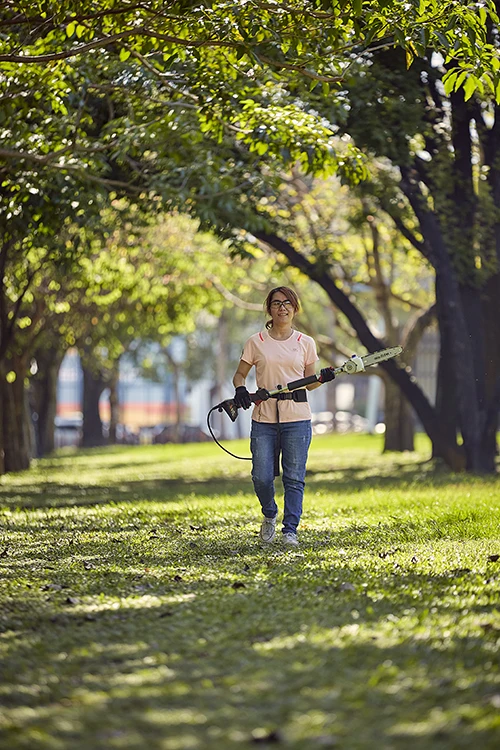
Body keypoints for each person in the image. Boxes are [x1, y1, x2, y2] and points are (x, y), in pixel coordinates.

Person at [232, 286, 336, 547]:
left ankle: (290, 530)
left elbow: (310, 382)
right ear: (269, 309)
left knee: (294, 477)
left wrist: (323, 378)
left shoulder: (306, 343)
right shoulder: (256, 342)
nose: (282, 307)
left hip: (297, 418)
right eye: (277, 303)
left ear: (295, 308)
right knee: (262, 476)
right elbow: (239, 374)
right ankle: (269, 514)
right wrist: (241, 389)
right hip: (264, 419)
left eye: (287, 303)